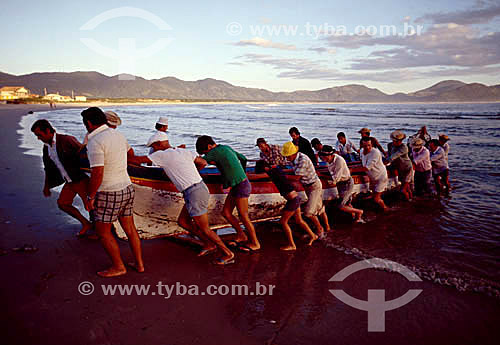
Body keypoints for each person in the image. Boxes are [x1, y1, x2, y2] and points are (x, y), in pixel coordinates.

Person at [128, 133, 235, 265]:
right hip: (199, 188)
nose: (153, 150)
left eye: (154, 147)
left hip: (194, 192)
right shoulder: (182, 151)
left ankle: (228, 253)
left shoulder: (162, 154)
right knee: (183, 222)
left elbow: (137, 160)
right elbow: (203, 162)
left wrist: (118, 156)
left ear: (160, 144)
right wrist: (190, 172)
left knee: (205, 228)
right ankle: (209, 244)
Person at [82, 107, 144, 277]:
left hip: (109, 191)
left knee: (103, 232)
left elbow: (97, 173)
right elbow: (130, 154)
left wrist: (90, 196)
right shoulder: (118, 135)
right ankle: (139, 264)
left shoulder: (95, 141)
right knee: (130, 229)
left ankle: (119, 266)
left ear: (88, 123)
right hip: (126, 187)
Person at [196, 135, 261, 252]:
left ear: (209, 146)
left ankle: (256, 243)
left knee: (244, 216)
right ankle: (242, 235)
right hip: (239, 184)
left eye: (205, 152)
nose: (206, 154)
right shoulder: (226, 147)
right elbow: (243, 158)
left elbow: (202, 162)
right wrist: (242, 172)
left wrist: (194, 171)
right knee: (226, 213)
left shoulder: (214, 151)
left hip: (241, 186)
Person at [31, 119, 92, 237]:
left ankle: (101, 231)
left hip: (81, 180)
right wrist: (47, 186)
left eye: (39, 135)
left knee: (91, 207)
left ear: (48, 130)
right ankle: (86, 223)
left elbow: (85, 154)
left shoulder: (66, 140)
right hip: (69, 182)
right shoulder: (46, 148)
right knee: (63, 204)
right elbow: (48, 168)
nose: (38, 138)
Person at [281, 141, 331, 238]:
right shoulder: (294, 159)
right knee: (319, 208)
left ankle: (320, 228)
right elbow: (293, 171)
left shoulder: (302, 159)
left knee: (308, 212)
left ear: (293, 153)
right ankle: (327, 227)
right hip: (308, 187)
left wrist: (281, 175)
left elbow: (297, 177)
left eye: (288, 156)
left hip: (314, 186)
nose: (287, 158)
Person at [264, 164, 318, 250]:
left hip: (293, 200)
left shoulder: (271, 173)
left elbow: (257, 176)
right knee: (299, 220)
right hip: (296, 198)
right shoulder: (277, 171)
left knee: (283, 222)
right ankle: (313, 236)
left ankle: (292, 245)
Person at [318, 145, 364, 222]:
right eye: (323, 157)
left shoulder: (339, 161)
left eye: (326, 157)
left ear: (331, 155)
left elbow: (336, 178)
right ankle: (355, 217)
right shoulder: (328, 161)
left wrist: (322, 176)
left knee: (341, 206)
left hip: (346, 183)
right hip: (341, 184)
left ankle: (359, 212)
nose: (324, 158)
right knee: (347, 202)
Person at [360, 137, 389, 211]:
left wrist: (351, 170)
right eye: (365, 146)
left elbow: (367, 167)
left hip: (381, 177)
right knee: (373, 195)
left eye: (369, 145)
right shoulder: (361, 151)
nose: (367, 147)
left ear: (372, 145)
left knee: (376, 198)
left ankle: (386, 209)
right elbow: (363, 164)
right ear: (361, 145)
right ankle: (378, 208)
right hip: (372, 177)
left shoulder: (375, 152)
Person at [385, 130, 413, 201]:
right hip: (400, 168)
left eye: (397, 141)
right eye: (394, 141)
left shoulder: (404, 147)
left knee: (403, 190)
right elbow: (388, 155)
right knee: (407, 187)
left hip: (407, 168)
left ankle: (408, 201)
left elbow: (393, 157)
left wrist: (384, 163)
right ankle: (411, 199)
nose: (395, 142)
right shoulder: (390, 145)